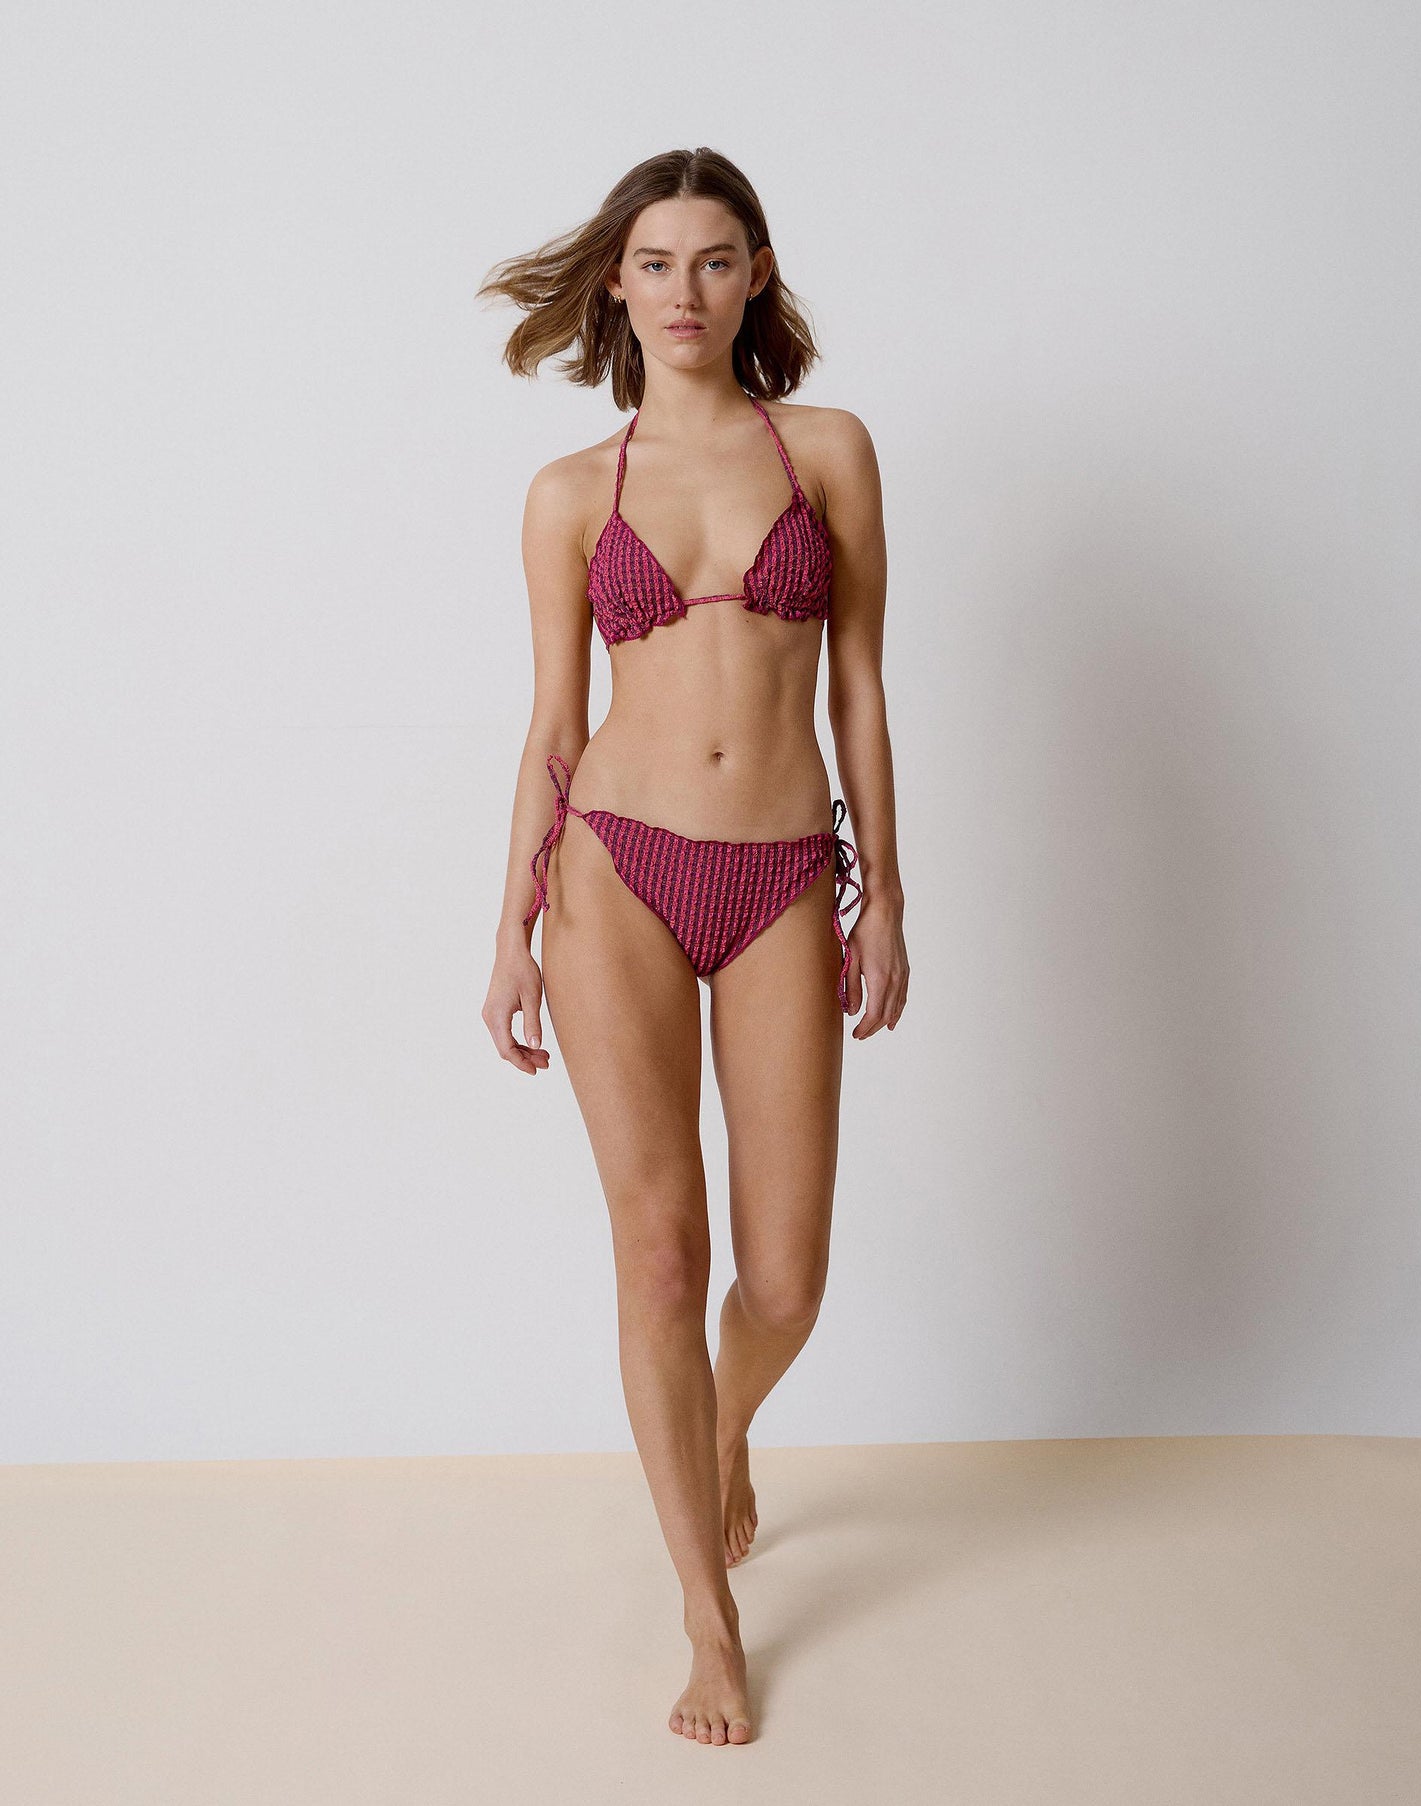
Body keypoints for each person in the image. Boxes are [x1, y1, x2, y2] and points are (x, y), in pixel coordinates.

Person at [477, 147, 909, 1747]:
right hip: (614, 876)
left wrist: (886, 896)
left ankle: (718, 1430)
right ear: (617, 283)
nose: (683, 290)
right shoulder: (570, 494)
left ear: (755, 276)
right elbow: (551, 725)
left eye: (713, 261)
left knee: (782, 1276)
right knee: (659, 1252)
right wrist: (510, 928)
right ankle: (707, 1620)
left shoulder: (829, 452)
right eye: (654, 263)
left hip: (786, 873)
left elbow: (857, 686)